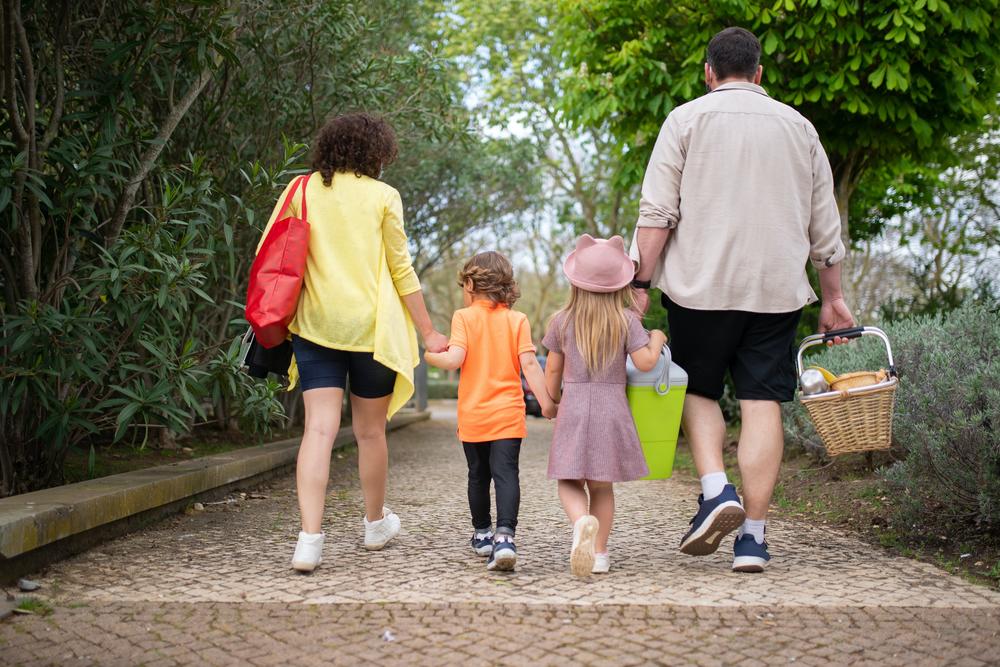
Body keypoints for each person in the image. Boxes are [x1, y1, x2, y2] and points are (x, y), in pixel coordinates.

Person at [629, 27, 855, 573]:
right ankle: (752, 538)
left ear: (709, 72)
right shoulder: (800, 128)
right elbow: (824, 224)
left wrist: (639, 283)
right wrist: (833, 298)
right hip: (776, 291)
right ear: (759, 74)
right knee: (761, 402)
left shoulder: (684, 120)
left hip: (699, 287)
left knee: (699, 390)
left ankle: (715, 490)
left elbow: (658, 213)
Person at [255, 113, 449, 572]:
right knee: (369, 431)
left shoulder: (301, 190)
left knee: (318, 430)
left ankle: (309, 540)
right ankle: (374, 523)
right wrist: (428, 331)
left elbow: (271, 250)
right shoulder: (384, 196)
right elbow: (401, 269)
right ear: (376, 153)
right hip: (371, 329)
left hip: (317, 325)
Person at [543, 235, 667, 576]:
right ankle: (598, 554)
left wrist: (551, 402)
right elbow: (644, 363)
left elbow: (552, 369)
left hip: (574, 407)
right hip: (612, 408)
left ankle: (581, 521)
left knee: (569, 480)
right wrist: (657, 338)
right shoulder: (626, 320)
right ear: (620, 284)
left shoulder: (562, 320)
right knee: (602, 485)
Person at [424, 252, 554, 571]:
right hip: (508, 414)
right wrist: (549, 402)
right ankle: (505, 537)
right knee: (506, 473)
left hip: (474, 415)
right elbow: (528, 366)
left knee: (478, 475)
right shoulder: (517, 319)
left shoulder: (463, 317)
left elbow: (454, 359)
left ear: (469, 284)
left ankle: (482, 534)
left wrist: (429, 356)